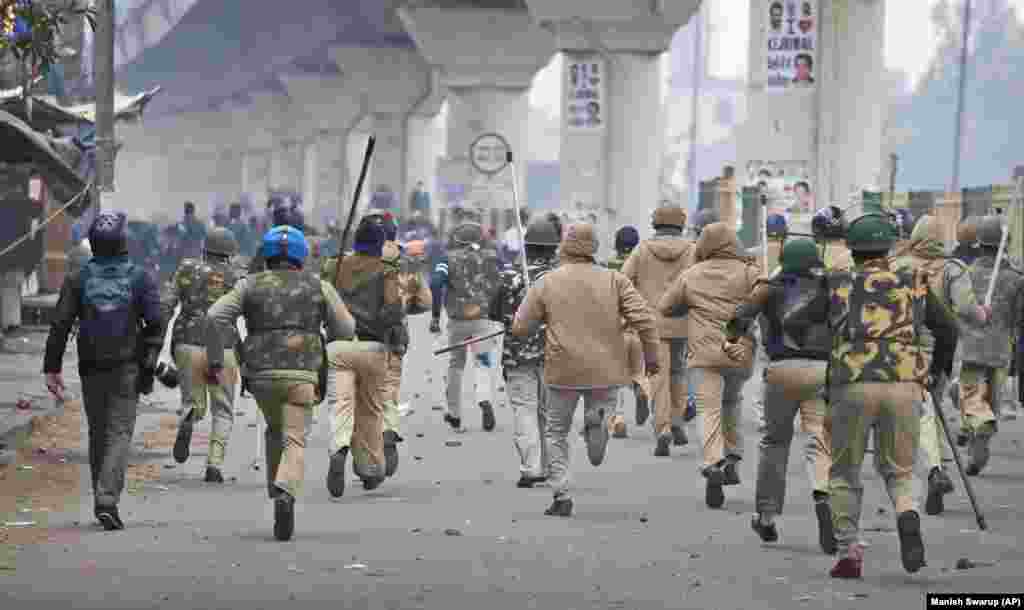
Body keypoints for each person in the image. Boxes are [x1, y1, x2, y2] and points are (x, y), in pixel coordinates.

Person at [785, 213, 957, 578]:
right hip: (906, 384)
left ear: (852, 248)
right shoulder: (915, 281)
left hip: (853, 385)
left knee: (845, 471)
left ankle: (849, 551)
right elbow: (948, 329)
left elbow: (794, 322)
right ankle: (907, 513)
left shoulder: (837, 283)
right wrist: (936, 372)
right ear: (892, 245)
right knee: (899, 469)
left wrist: (827, 347)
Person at [205, 225, 354, 541]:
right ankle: (286, 490)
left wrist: (220, 354)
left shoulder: (249, 285)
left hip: (261, 375)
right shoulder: (319, 286)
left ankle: (276, 490)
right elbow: (347, 329)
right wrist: (325, 325)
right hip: (303, 374)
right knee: (295, 437)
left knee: (275, 429)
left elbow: (214, 316)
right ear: (302, 254)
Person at [512, 222, 659, 517]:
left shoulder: (548, 282)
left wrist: (536, 322)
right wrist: (651, 357)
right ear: (594, 249)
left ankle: (561, 494)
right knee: (602, 405)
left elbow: (520, 327)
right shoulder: (616, 281)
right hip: (606, 369)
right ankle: (599, 423)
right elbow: (644, 319)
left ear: (565, 247)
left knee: (556, 432)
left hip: (562, 369)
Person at [43, 211, 166, 530]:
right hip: (126, 367)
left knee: (98, 431)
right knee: (119, 432)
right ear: (124, 242)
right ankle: (107, 498)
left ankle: (102, 493)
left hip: (90, 367)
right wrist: (150, 354)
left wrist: (51, 368)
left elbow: (60, 324)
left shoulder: (78, 278)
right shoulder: (140, 277)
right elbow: (156, 321)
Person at [728, 237, 835, 554]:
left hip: (781, 371)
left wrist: (738, 334)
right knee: (820, 439)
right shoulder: (830, 288)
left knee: (774, 442)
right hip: (822, 371)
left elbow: (736, 322)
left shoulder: (768, 288)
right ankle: (823, 494)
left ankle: (767, 516)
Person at [890, 215, 989, 515]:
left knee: (915, 418)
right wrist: (981, 315)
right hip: (939, 351)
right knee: (929, 413)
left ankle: (928, 471)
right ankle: (934, 468)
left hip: (897, 351)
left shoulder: (897, 265)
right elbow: (965, 309)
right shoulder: (953, 268)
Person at [658, 221, 761, 510]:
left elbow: (666, 306)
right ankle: (733, 458)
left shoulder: (692, 274)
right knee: (732, 403)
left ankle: (712, 461)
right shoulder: (750, 272)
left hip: (704, 355)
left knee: (708, 408)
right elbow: (764, 303)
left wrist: (690, 304)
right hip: (739, 352)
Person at [324, 219, 410, 496]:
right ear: (379, 245)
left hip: (338, 345)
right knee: (370, 410)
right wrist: (382, 325)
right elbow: (394, 311)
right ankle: (370, 468)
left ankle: (339, 447)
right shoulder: (386, 272)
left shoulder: (335, 266)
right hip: (373, 347)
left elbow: (321, 298)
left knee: (341, 404)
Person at [163, 227, 243, 483]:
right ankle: (214, 465)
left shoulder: (186, 268)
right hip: (224, 346)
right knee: (223, 410)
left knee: (194, 403)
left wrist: (154, 339)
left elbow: (168, 303)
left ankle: (189, 415)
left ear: (204, 250)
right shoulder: (236, 277)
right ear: (230, 254)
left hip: (188, 343)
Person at [489, 213, 561, 488]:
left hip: (518, 356)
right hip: (554, 354)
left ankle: (531, 468)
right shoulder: (559, 278)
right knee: (550, 413)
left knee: (525, 410)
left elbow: (494, 311)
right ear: (554, 248)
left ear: (527, 247)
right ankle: (552, 466)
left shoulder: (511, 276)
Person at [623, 206, 695, 456]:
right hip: (682, 322)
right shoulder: (692, 250)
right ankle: (677, 419)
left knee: (657, 376)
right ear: (681, 225)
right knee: (678, 372)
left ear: (655, 224)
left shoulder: (642, 250)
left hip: (651, 323)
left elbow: (624, 281)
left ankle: (662, 428)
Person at [956, 215, 1024, 477]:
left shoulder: (965, 274)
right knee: (990, 403)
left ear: (978, 242)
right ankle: (978, 443)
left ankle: (974, 437)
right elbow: (1019, 317)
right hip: (999, 352)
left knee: (972, 398)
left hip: (971, 350)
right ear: (1005, 244)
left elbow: (958, 310)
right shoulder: (1015, 279)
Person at [430, 209, 502, 432]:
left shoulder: (446, 258)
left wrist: (434, 315)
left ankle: (455, 415)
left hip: (457, 321)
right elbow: (499, 284)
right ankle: (484, 398)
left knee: (456, 365)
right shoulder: (490, 257)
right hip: (482, 319)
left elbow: (435, 283)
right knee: (483, 362)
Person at [604, 225, 650, 438]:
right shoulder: (644, 267)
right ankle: (642, 389)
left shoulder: (608, 267)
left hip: (616, 330)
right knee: (638, 372)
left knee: (616, 377)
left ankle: (618, 418)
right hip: (638, 330)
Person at [811, 205, 853, 272]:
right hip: (819, 222)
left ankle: (819, 259)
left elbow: (834, 223)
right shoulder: (834, 212)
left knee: (821, 242)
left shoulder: (826, 211)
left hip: (816, 222)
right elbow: (840, 223)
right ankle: (820, 260)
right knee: (822, 241)